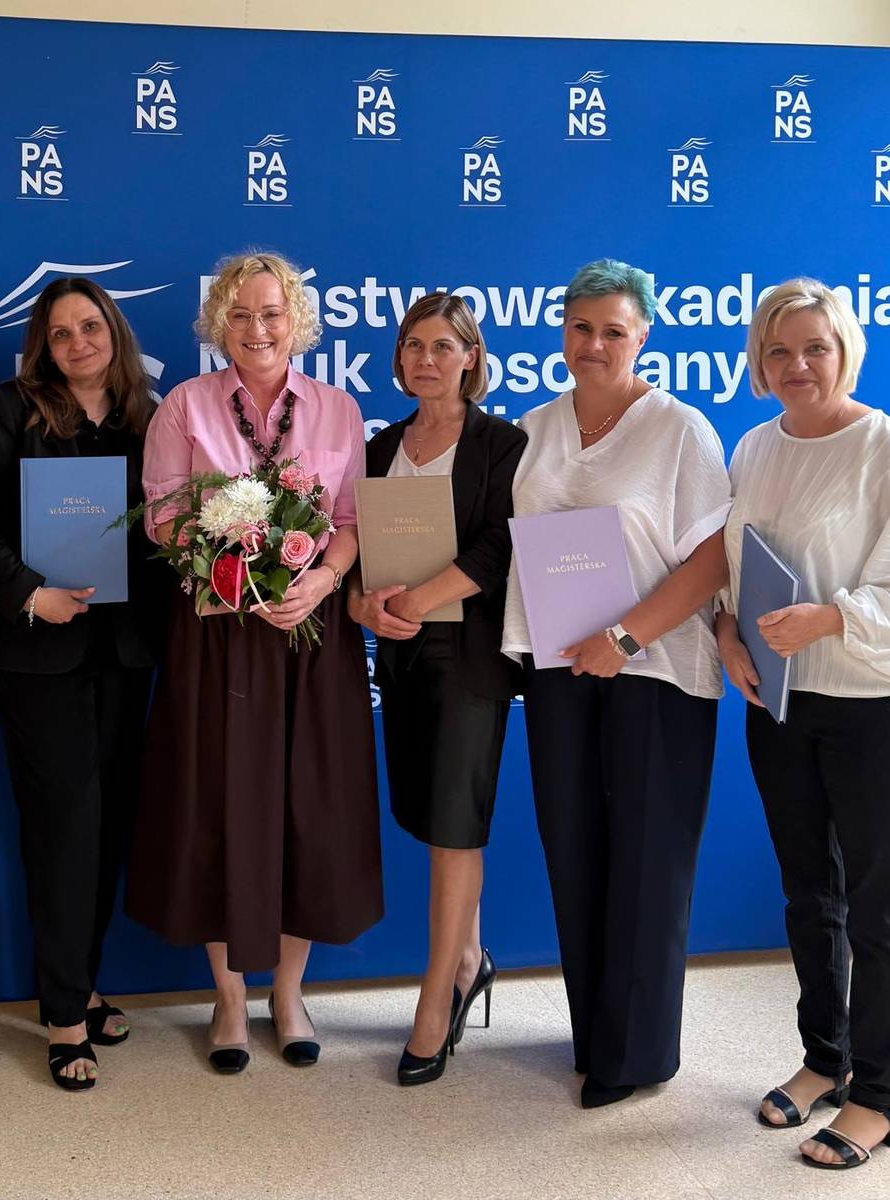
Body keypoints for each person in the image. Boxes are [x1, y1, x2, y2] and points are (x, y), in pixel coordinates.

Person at [715, 278, 890, 1169]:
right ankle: (826, 1058)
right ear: (759, 361)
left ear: (846, 353)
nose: (797, 365)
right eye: (778, 350)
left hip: (879, 701)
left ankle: (880, 1099)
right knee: (807, 892)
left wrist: (831, 618)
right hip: (784, 700)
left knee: (878, 905)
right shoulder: (753, 447)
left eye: (814, 348)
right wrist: (724, 629)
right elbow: (729, 564)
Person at [125, 250, 382, 1073]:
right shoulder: (184, 407)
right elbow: (164, 520)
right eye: (239, 314)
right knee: (217, 805)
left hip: (311, 633)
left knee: (310, 809)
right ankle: (230, 1000)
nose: (257, 329)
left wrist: (323, 580)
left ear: (296, 321)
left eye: (272, 313)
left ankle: (290, 994)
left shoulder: (338, 410)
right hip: (217, 636)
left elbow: (352, 520)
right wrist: (233, 564)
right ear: (218, 325)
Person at [501, 258, 731, 1109]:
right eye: (580, 327)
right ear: (561, 330)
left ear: (643, 338)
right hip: (559, 667)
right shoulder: (531, 429)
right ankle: (595, 1035)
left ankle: (635, 1056)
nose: (594, 344)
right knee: (574, 850)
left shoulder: (680, 430)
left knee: (648, 859)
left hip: (655, 668)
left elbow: (714, 558)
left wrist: (627, 636)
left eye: (613, 331)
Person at [0, 278, 161, 1091]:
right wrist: (30, 593)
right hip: (39, 653)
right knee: (64, 830)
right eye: (60, 332)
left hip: (125, 652)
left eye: (90, 327)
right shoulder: (13, 408)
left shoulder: (148, 417)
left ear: (114, 332)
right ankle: (65, 1016)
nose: (77, 343)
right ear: (43, 344)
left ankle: (83, 983)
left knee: (107, 830)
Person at [350, 293, 527, 1085]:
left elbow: (499, 544)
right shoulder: (381, 445)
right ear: (399, 358)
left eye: (444, 346)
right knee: (428, 813)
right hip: (401, 655)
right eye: (414, 345)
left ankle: (435, 1004)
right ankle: (470, 959)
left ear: (471, 357)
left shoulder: (503, 444)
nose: (427, 359)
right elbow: (359, 550)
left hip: (471, 655)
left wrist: (420, 601)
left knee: (457, 826)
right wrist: (361, 606)